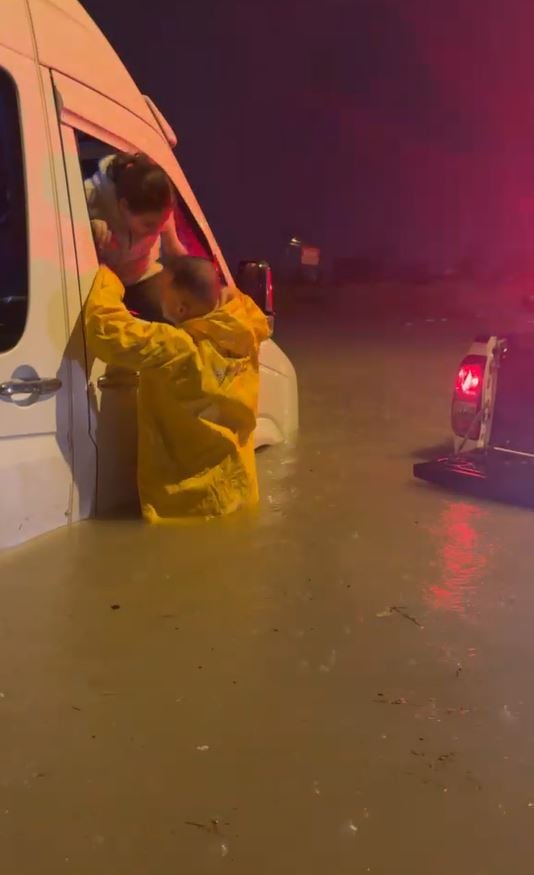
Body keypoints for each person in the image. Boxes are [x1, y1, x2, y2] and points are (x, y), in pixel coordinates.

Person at [84, 256, 272, 523]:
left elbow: (104, 330)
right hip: (239, 490)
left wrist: (110, 275)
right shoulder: (245, 325)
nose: (156, 295)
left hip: (191, 507)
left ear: (181, 308)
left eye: (161, 291)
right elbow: (222, 290)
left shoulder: (177, 348)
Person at [85, 152, 187, 321]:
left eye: (162, 222)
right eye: (148, 224)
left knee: (172, 315)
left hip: (143, 274)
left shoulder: (159, 204)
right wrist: (87, 230)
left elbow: (173, 249)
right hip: (100, 283)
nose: (156, 231)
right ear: (124, 206)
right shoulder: (88, 198)